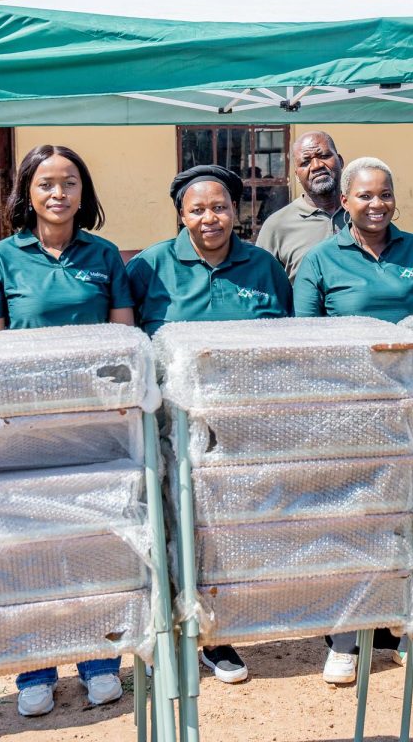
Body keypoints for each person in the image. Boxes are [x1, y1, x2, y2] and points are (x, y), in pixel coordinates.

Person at [0, 145, 136, 718]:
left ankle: (99, 661)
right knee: (32, 551)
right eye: (46, 183)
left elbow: (124, 343)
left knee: (95, 545)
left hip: (94, 428)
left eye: (69, 182)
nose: (58, 193)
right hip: (29, 430)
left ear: (83, 193)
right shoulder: (1, 257)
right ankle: (35, 668)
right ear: (27, 192)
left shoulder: (105, 255)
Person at [127, 164, 292, 684]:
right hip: (171, 432)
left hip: (245, 428)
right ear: (181, 215)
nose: (209, 218)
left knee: (229, 531)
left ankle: (219, 631)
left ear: (235, 211)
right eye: (197, 209)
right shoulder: (149, 267)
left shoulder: (262, 266)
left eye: (219, 207)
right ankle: (172, 634)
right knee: (173, 529)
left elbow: (285, 342)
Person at [293, 157, 413, 685]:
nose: (377, 204)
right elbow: (307, 343)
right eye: (365, 196)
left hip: (412, 411)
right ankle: (346, 639)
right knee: (351, 525)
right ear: (345, 202)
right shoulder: (321, 261)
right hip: (348, 415)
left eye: (385, 194)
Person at [255, 131, 347, 278]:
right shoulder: (277, 226)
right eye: (305, 162)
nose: (316, 166)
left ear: (340, 161)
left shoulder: (362, 214)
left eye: (324, 156)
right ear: (297, 175)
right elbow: (262, 283)